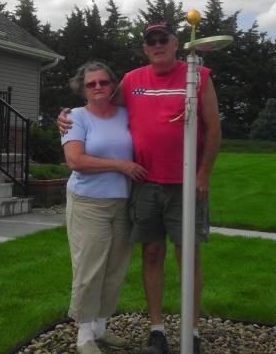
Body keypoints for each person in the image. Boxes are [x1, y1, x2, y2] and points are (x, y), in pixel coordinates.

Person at [59, 22, 221, 354]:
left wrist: (203, 173)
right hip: (145, 185)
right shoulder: (133, 80)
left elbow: (214, 127)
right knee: (150, 253)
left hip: (185, 184)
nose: (158, 45)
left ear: (176, 44)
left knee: (187, 255)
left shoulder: (198, 78)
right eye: (152, 42)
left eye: (164, 39)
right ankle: (156, 331)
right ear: (145, 49)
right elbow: (96, 106)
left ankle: (193, 331)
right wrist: (63, 116)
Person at [62, 61, 147, 354]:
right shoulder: (75, 117)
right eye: (91, 84)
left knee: (115, 267)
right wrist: (120, 165)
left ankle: (100, 327)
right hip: (88, 203)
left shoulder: (126, 114)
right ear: (82, 89)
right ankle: (84, 334)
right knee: (90, 267)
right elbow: (76, 161)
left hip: (123, 202)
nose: (98, 87)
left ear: (113, 84)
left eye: (103, 82)